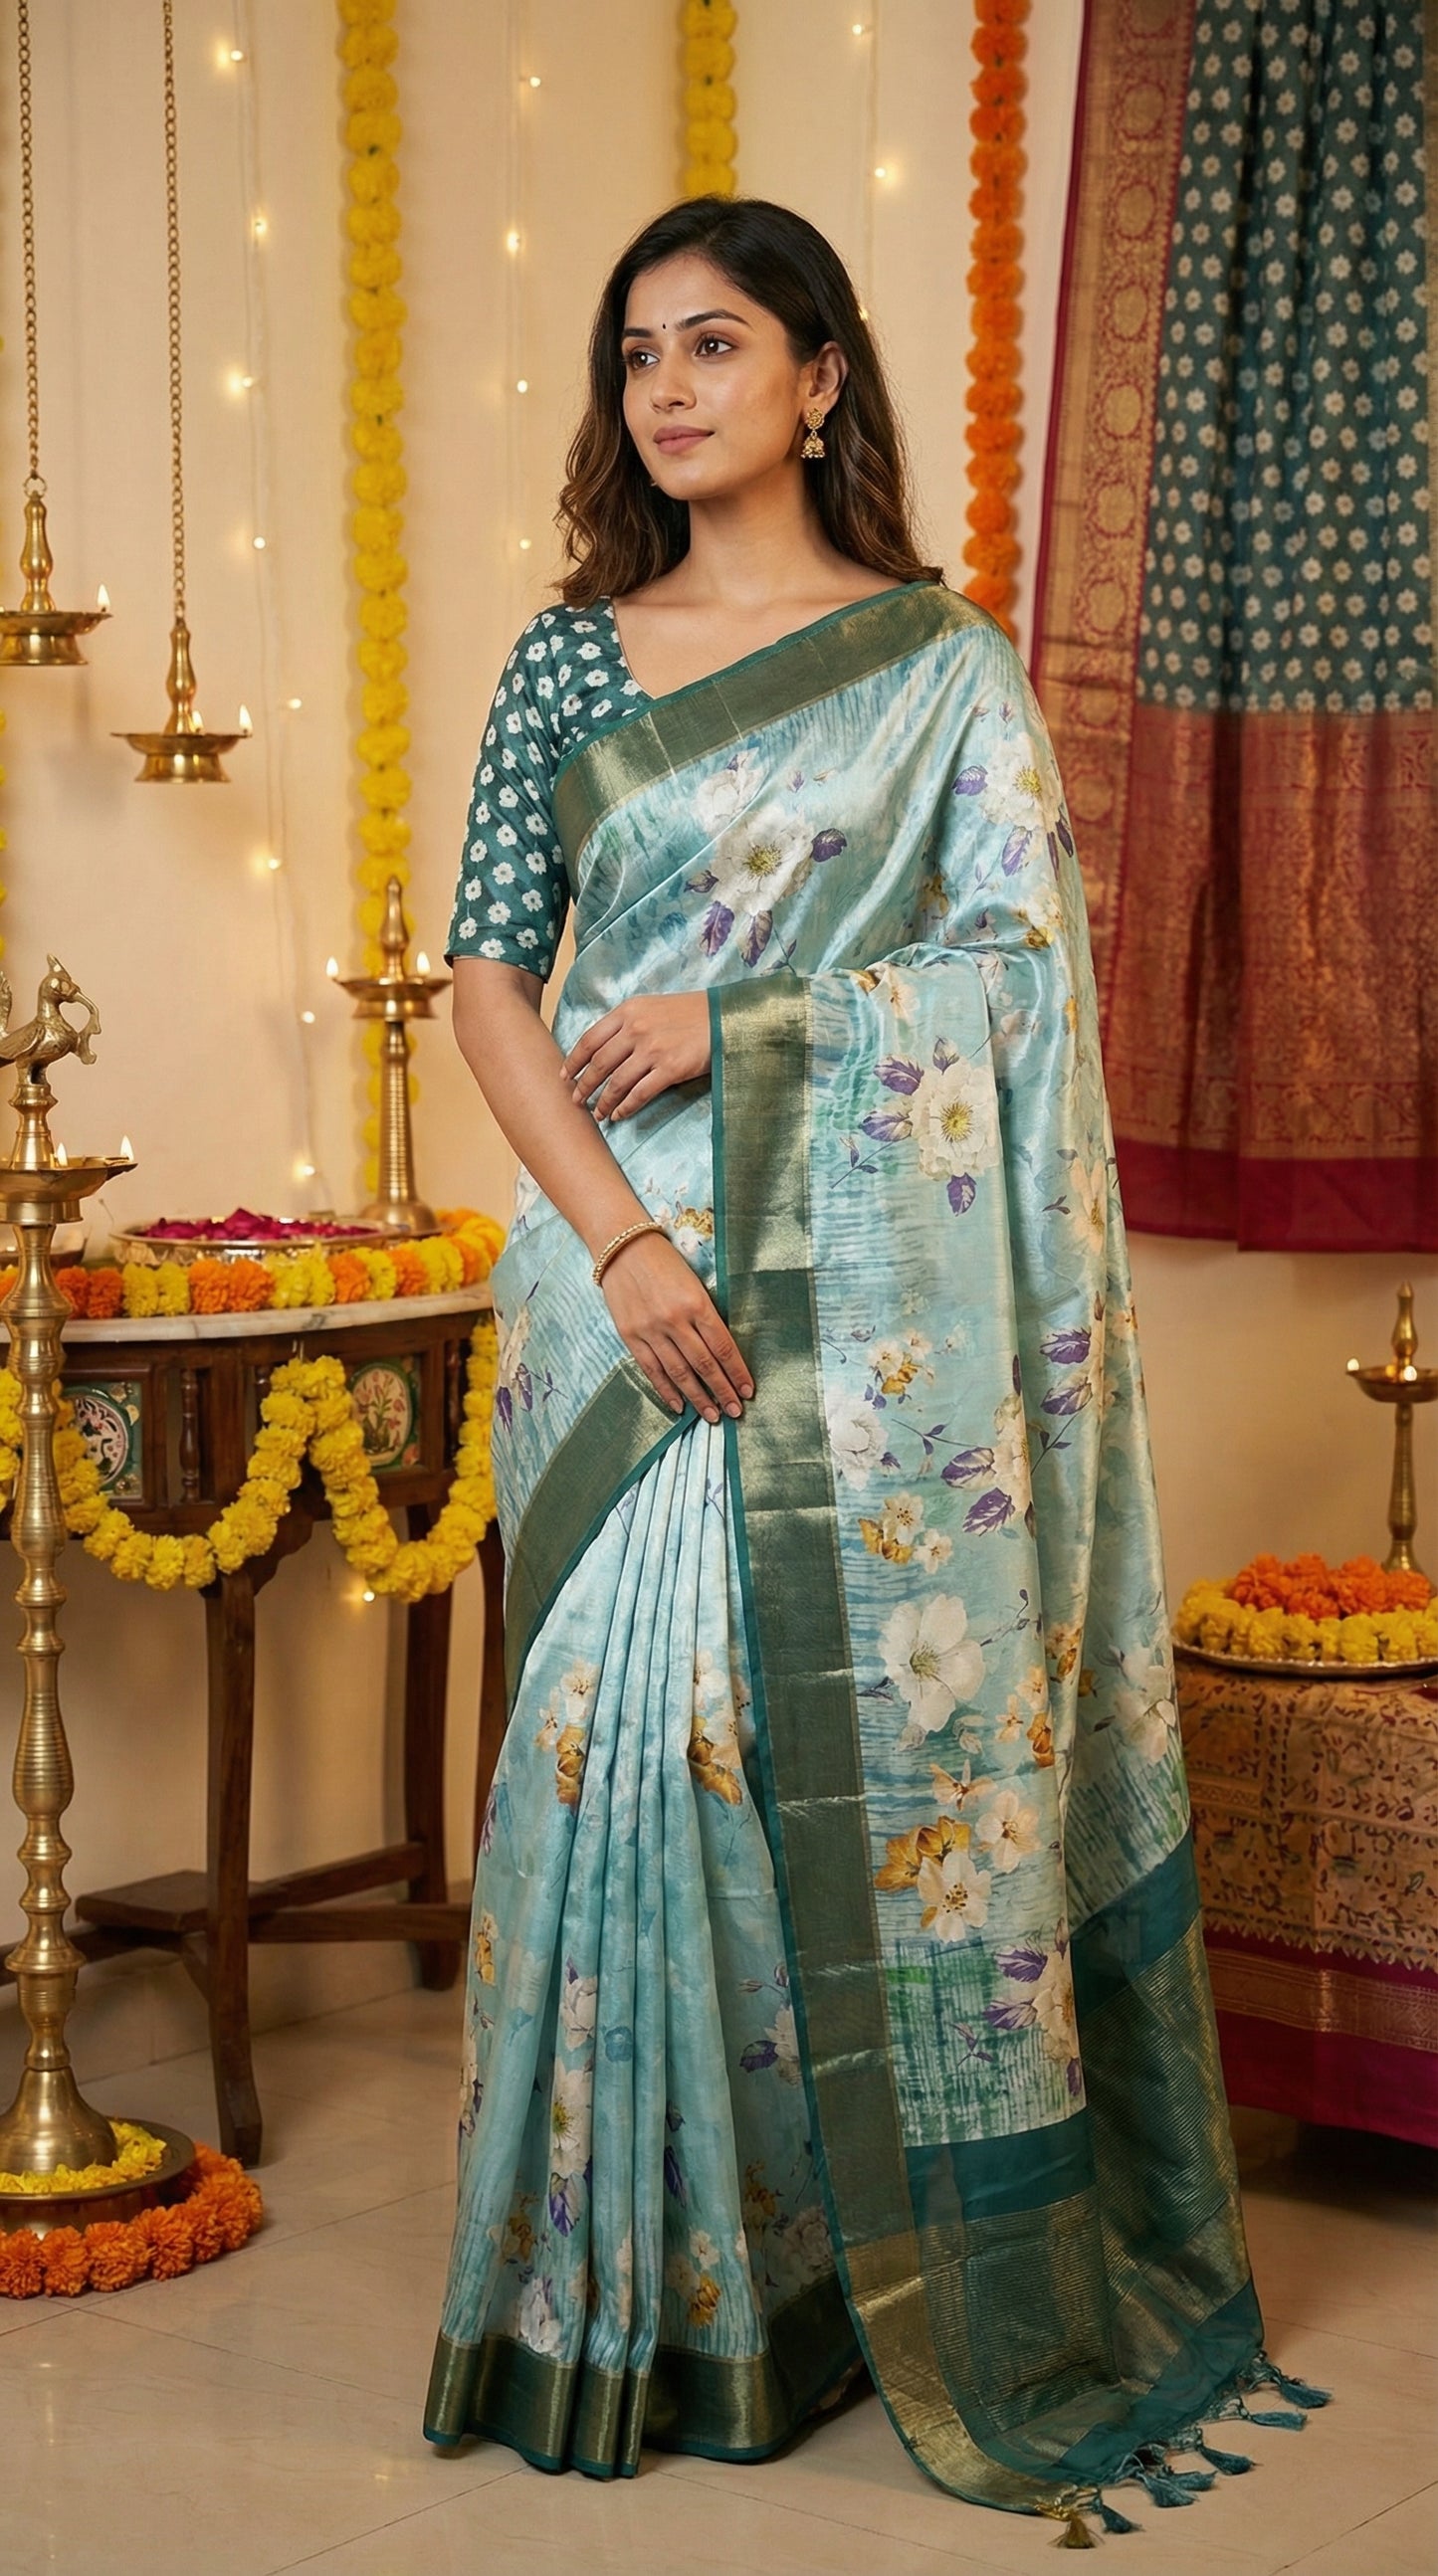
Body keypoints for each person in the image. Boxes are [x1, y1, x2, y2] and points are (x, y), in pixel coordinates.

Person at [424, 195, 1325, 2538]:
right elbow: (489, 983)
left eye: (716, 345)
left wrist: (743, 1021)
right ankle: (629, 2293)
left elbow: (1022, 992)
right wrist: (618, 1235)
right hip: (622, 1272)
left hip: (853, 1277)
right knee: (612, 1749)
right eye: (637, 356)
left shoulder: (938, 666)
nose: (670, 390)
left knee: (771, 1746)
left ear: (823, 375)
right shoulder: (567, 666)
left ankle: (837, 2264)